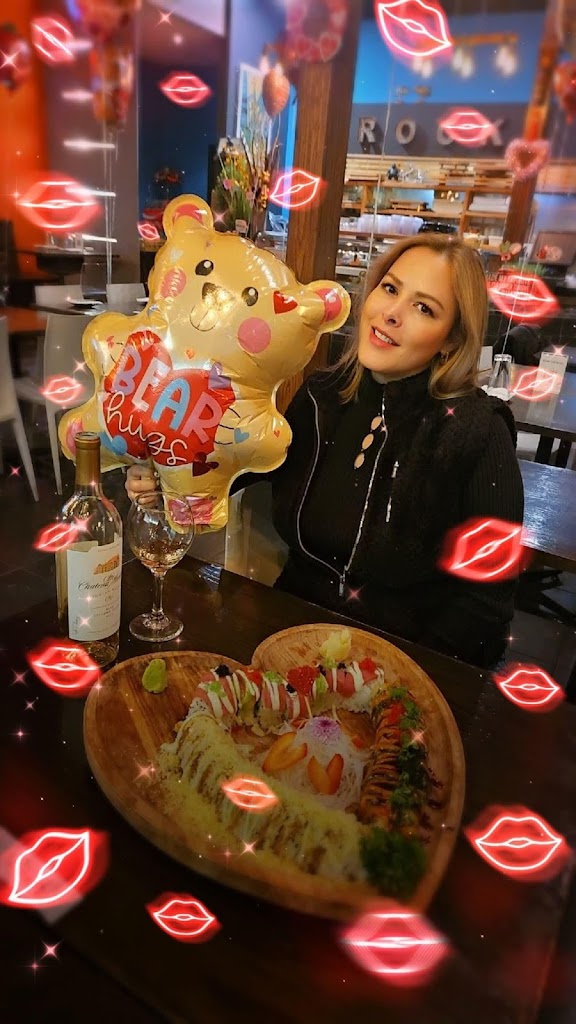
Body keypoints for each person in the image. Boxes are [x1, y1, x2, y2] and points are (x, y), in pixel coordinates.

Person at [126, 234, 524, 669]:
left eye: (424, 308)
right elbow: (244, 466)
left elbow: (486, 606)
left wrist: (397, 677)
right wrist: (167, 475)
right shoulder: (322, 396)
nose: (391, 313)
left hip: (403, 660)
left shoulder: (479, 432)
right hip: (289, 633)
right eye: (390, 288)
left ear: (451, 339)